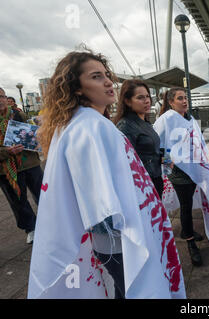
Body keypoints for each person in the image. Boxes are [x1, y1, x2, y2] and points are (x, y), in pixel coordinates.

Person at [28, 49, 185, 299]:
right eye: (96, 76)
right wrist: (133, 232)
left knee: (124, 290)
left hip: (115, 240)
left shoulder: (81, 123)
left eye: (106, 75)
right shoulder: (89, 127)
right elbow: (99, 204)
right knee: (135, 290)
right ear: (77, 88)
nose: (108, 81)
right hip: (120, 242)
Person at [154, 88, 209, 267]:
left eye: (185, 97)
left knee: (191, 203)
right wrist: (167, 163)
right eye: (180, 98)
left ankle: (188, 232)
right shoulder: (166, 119)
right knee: (186, 207)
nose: (185, 101)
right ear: (171, 102)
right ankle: (190, 242)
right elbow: (156, 144)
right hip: (180, 173)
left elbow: (198, 142)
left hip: (195, 168)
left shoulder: (190, 118)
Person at [0, 87, 43, 244]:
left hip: (30, 163)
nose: (1, 100)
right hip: (6, 170)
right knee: (18, 202)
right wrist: (7, 152)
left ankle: (52, 222)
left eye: (2, 96)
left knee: (43, 195)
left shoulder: (18, 114)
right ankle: (31, 228)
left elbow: (33, 135)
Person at [114, 80, 164, 198]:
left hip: (155, 178)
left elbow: (152, 151)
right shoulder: (125, 126)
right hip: (143, 185)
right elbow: (125, 163)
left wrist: (165, 159)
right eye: (140, 97)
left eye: (147, 96)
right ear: (127, 101)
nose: (147, 100)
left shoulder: (145, 122)